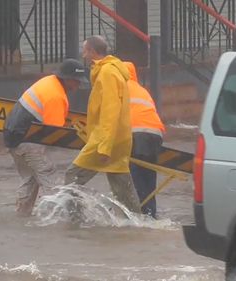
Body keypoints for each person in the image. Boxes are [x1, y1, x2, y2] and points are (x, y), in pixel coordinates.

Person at [64, 36, 141, 213]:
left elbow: (110, 111)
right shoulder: (109, 71)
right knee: (122, 187)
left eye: (85, 50)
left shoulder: (107, 73)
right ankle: (139, 223)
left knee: (73, 176)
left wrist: (104, 146)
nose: (83, 54)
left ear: (92, 51)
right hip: (117, 139)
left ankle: (75, 220)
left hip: (105, 140)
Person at [3, 59, 87, 216]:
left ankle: (22, 216)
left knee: (31, 179)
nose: (78, 86)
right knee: (48, 175)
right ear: (67, 79)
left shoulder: (49, 82)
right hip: (27, 140)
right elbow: (55, 131)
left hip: (13, 137)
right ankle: (57, 217)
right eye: (76, 82)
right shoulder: (56, 96)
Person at [124, 62, 165, 218]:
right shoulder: (142, 90)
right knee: (148, 176)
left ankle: (136, 214)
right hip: (155, 134)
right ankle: (150, 213)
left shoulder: (118, 88)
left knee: (133, 176)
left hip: (134, 133)